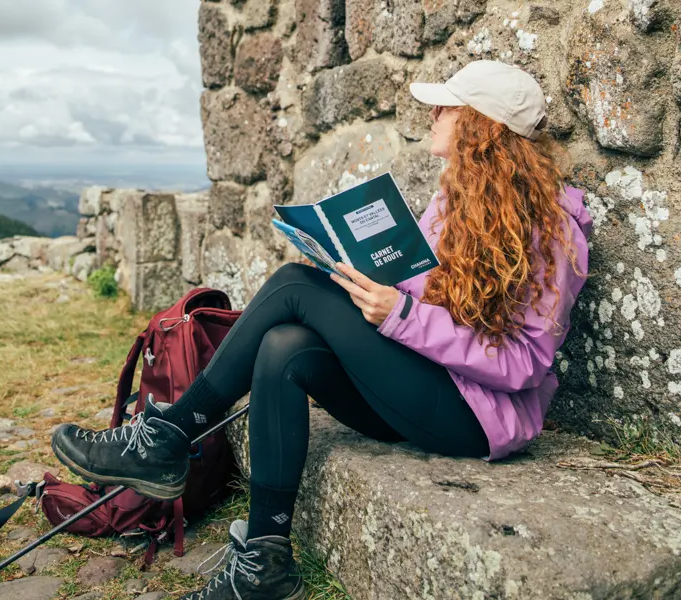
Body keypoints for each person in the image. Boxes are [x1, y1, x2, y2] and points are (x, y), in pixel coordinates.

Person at [51, 60, 592, 600]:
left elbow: (523, 365)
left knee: (293, 285)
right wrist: (364, 277)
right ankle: (265, 560)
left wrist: (400, 315)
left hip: (474, 416)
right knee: (284, 346)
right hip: (415, 385)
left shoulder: (553, 233)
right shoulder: (455, 200)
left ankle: (167, 437)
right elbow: (427, 299)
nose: (433, 115)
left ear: (481, 126)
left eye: (446, 107)